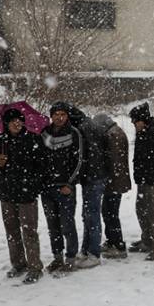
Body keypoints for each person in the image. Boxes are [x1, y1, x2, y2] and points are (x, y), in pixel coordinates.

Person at [0, 107, 45, 284]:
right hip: (6, 193)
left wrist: (33, 186)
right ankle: (18, 264)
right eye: (13, 120)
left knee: (29, 231)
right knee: (12, 231)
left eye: (19, 120)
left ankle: (35, 267)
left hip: (27, 195)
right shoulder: (0, 140)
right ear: (6, 123)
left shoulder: (34, 139)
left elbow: (42, 166)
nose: (16, 123)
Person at [40, 102, 83, 272]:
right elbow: (40, 160)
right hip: (47, 188)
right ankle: (57, 257)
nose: (59, 117)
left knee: (67, 224)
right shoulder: (44, 133)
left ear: (67, 116)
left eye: (63, 114)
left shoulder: (74, 133)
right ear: (51, 116)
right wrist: (41, 183)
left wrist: (70, 184)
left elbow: (79, 161)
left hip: (65, 188)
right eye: (56, 114)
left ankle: (70, 258)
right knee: (53, 226)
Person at [68, 105, 108, 269]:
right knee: (89, 214)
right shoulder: (90, 124)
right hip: (96, 176)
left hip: (92, 177)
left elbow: (83, 156)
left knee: (91, 215)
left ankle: (93, 253)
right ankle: (86, 250)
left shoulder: (81, 129)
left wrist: (76, 176)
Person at [128, 102, 154, 261]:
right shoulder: (143, 132)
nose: (133, 124)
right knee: (142, 211)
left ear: (142, 119)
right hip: (143, 180)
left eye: (135, 121)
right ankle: (146, 240)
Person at [92, 114, 132, 259]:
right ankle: (112, 241)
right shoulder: (115, 132)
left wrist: (105, 176)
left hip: (114, 182)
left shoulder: (114, 135)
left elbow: (113, 162)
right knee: (108, 212)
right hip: (116, 181)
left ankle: (118, 245)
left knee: (111, 213)